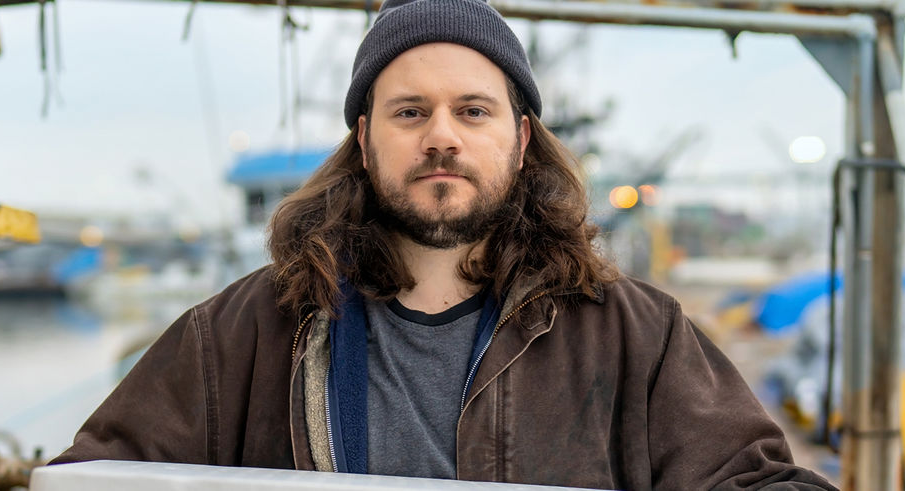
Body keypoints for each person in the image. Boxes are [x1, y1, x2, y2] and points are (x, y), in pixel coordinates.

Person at [51, 0, 836, 488]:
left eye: (473, 110)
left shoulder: (635, 334)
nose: (441, 137)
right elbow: (94, 479)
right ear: (364, 138)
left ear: (522, 138)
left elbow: (757, 481)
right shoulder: (246, 331)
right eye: (408, 111)